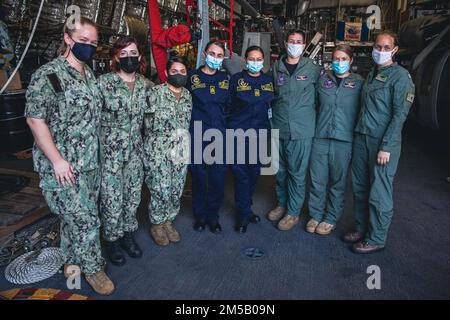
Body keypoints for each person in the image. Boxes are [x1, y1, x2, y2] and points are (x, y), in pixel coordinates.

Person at [25, 17, 114, 295]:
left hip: (90, 163)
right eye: (83, 41)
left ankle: (72, 260)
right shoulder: (50, 75)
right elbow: (35, 119)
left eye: (93, 43)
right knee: (85, 219)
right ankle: (93, 268)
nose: (88, 47)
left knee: (74, 218)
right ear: (67, 38)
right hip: (64, 165)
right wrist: (57, 160)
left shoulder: (88, 74)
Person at [344, 31, 415, 253]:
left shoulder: (400, 77)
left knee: (379, 192)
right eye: (378, 46)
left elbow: (399, 115)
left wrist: (386, 146)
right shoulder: (372, 73)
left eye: (386, 47)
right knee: (360, 187)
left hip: (382, 143)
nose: (381, 51)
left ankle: (376, 238)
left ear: (394, 50)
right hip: (362, 138)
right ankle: (362, 228)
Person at [98, 36, 152, 266]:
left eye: (133, 53)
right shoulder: (103, 83)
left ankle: (128, 235)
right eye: (124, 54)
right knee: (111, 199)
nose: (129, 58)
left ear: (139, 56)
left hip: (135, 153)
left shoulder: (145, 85)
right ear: (115, 58)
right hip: (110, 154)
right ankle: (112, 239)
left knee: (131, 198)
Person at [306, 44, 364, 235]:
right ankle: (315, 214)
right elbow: (313, 104)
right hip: (320, 137)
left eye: (343, 59)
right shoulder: (323, 80)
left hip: (344, 139)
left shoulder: (359, 83)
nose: (339, 63)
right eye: (336, 59)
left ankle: (330, 217)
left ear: (351, 61)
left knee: (337, 182)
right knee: (317, 180)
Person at [267, 30, 321, 231]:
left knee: (297, 174)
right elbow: (270, 95)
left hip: (302, 129)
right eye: (292, 41)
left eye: (299, 42)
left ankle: (293, 212)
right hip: (279, 127)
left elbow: (321, 97)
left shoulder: (312, 68)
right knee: (280, 172)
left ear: (304, 44)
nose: (295, 44)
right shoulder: (276, 68)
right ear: (286, 44)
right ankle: (282, 204)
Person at [144, 56, 192, 246]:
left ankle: (168, 221)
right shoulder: (155, 94)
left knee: (176, 189)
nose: (178, 75)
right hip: (158, 150)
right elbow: (142, 123)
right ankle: (157, 224)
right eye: (174, 72)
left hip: (180, 149)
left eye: (182, 72)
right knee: (160, 190)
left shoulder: (188, 95)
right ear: (166, 73)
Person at [228, 46, 275, 233]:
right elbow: (227, 106)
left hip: (260, 134)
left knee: (254, 173)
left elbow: (271, 105)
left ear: (263, 61)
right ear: (245, 61)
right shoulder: (236, 80)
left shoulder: (268, 81)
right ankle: (242, 214)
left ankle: (247, 208)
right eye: (251, 59)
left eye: (258, 59)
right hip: (239, 134)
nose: (255, 62)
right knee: (241, 175)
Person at [185, 41, 229, 233]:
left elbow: (230, 106)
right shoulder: (191, 77)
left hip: (218, 135)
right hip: (196, 134)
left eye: (219, 56)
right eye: (212, 54)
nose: (215, 58)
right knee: (199, 179)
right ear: (204, 54)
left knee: (217, 178)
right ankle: (200, 216)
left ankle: (213, 216)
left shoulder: (226, 79)